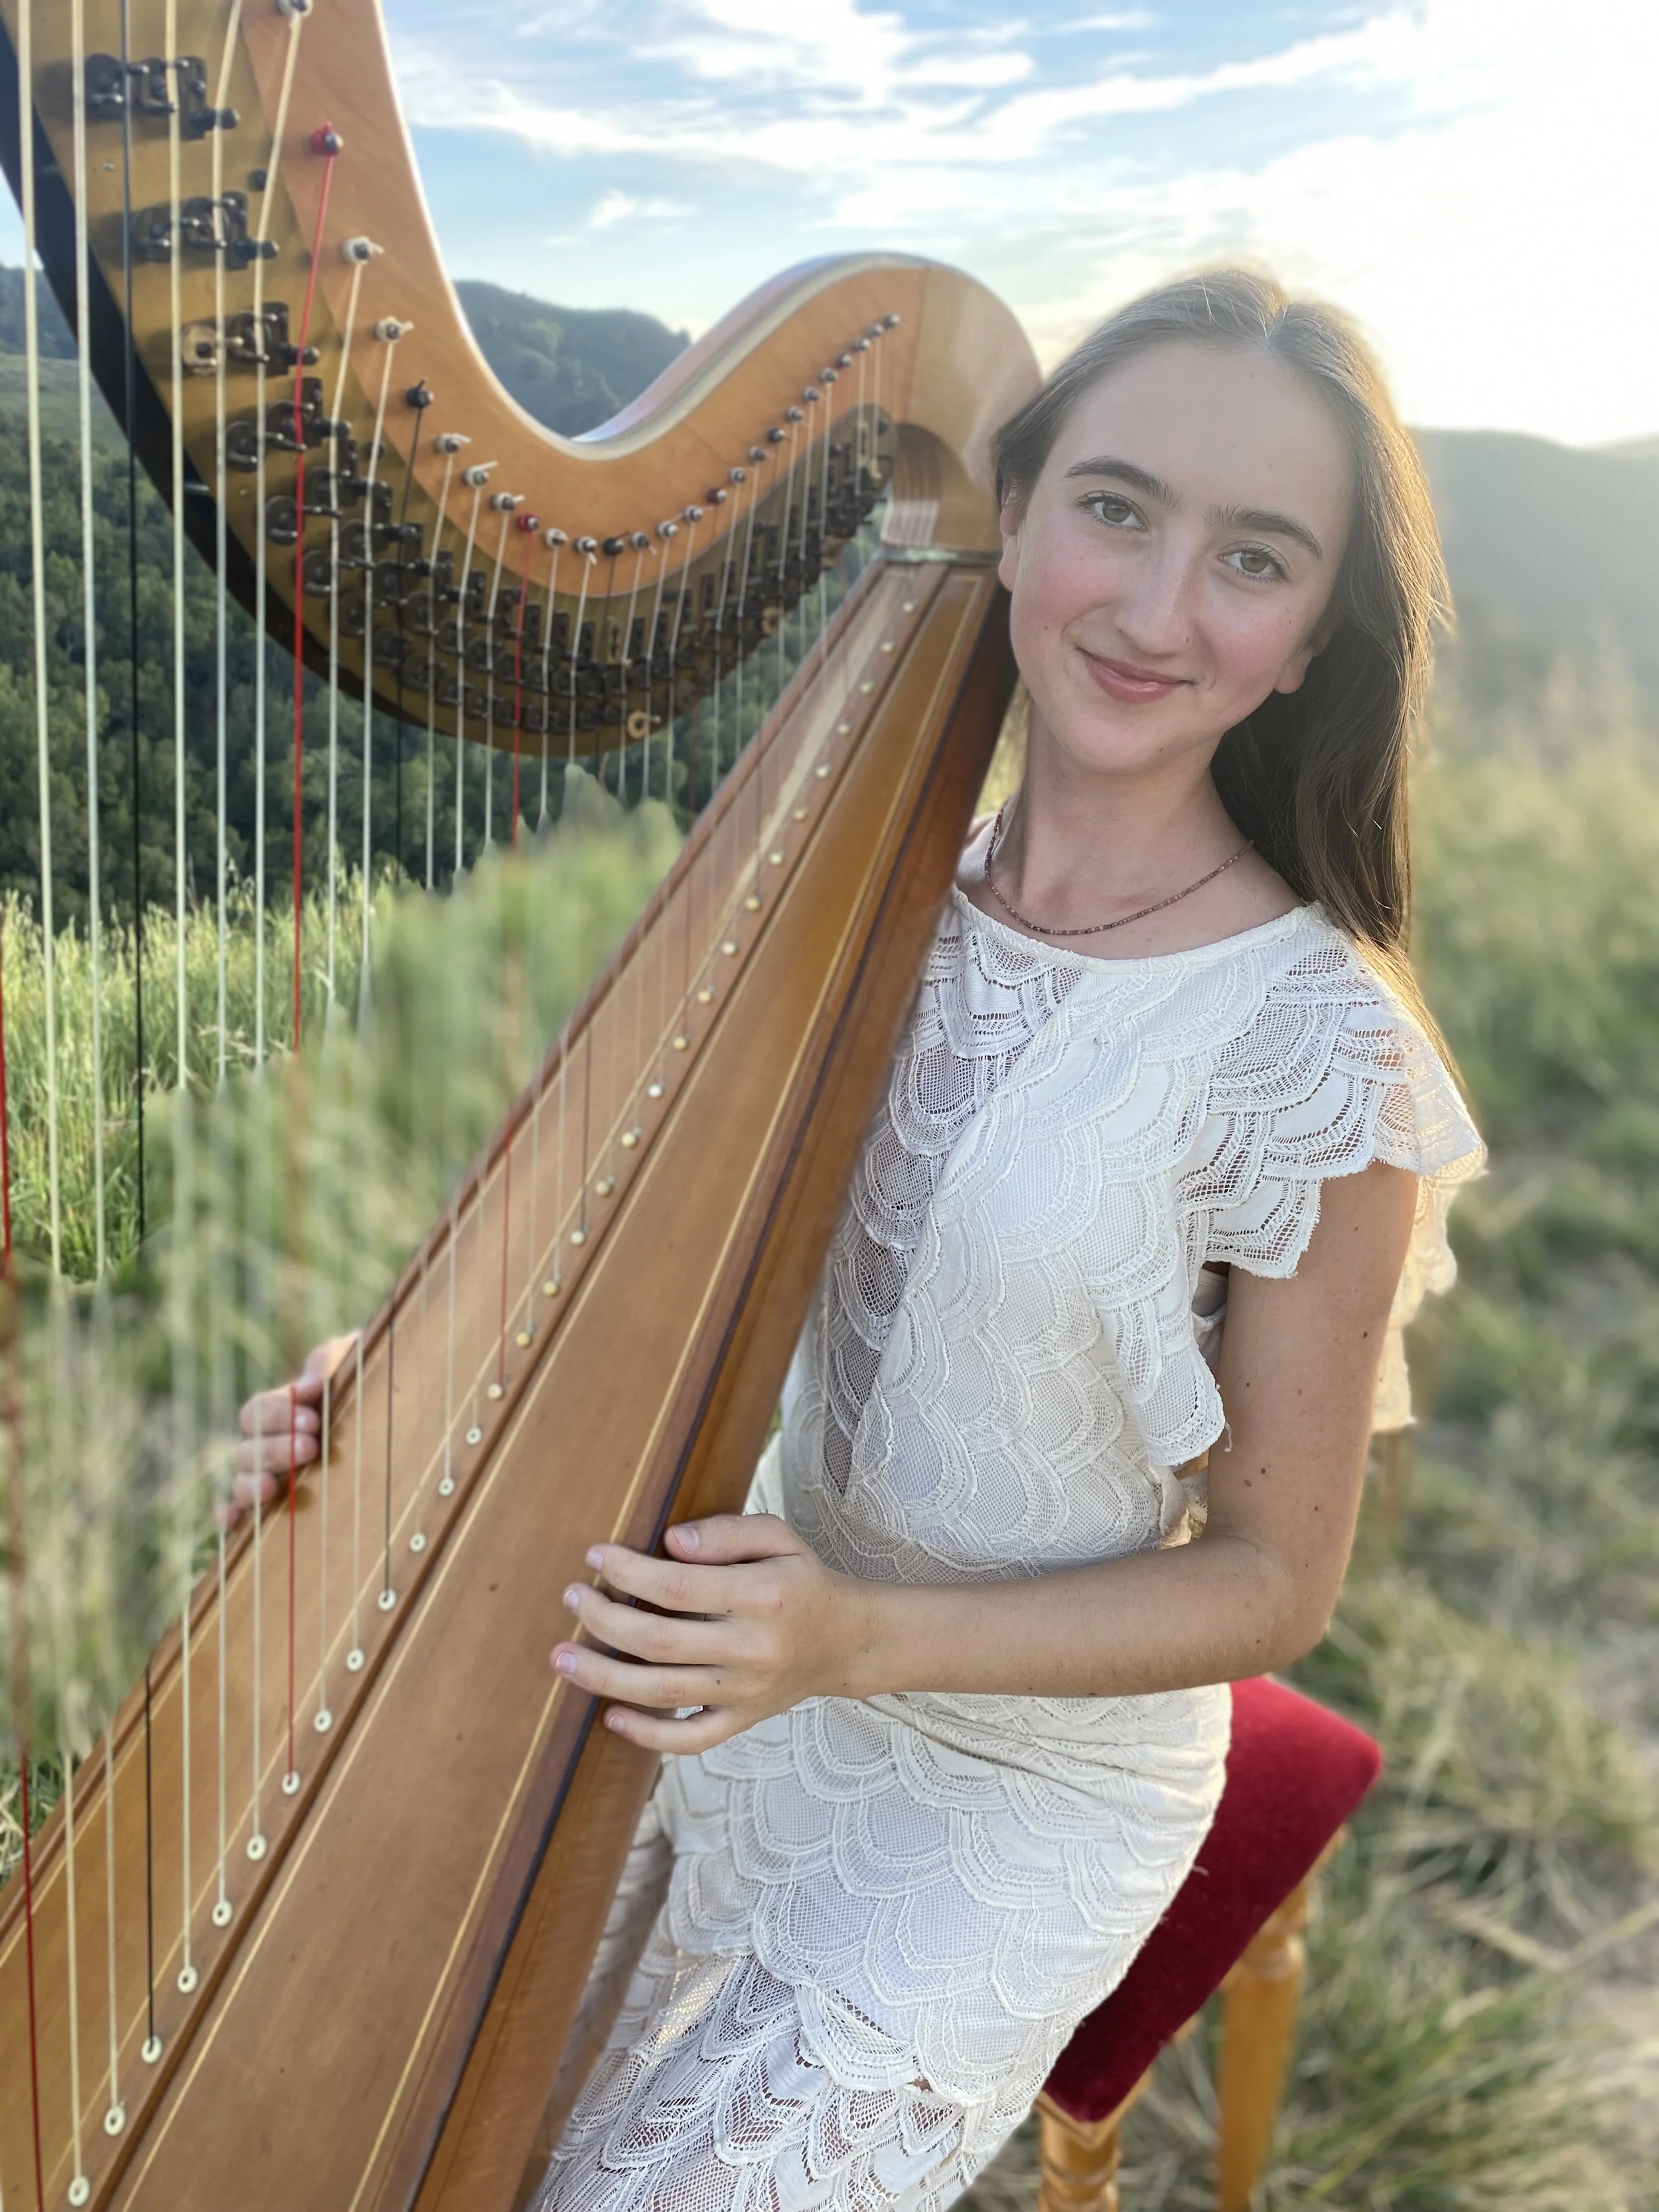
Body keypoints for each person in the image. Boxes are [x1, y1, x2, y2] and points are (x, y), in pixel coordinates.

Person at [238, 270, 1483, 2212]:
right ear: (1015, 510)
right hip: (737, 1645)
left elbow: (1267, 1582)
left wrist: (853, 1637)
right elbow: (694, 1283)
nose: (1155, 611)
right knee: (342, 2129)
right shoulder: (867, 875)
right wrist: (398, 1404)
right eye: (1117, 508)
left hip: (1007, 1783)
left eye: (1250, 556)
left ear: (1319, 629)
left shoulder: (1314, 1049)